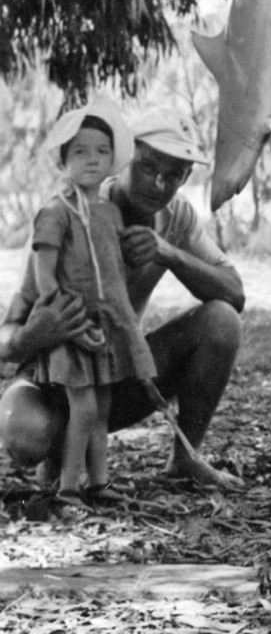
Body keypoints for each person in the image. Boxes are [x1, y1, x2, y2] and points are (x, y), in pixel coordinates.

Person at [0, 106, 246, 491]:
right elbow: (7, 333)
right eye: (148, 167)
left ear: (187, 177)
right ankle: (58, 456)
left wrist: (168, 252)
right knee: (25, 432)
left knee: (222, 320)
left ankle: (185, 459)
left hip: (112, 373)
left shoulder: (176, 217)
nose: (159, 184)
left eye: (174, 175)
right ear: (125, 158)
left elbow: (235, 293)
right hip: (51, 377)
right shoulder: (67, 213)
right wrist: (34, 335)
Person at [7, 98, 157, 505]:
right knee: (84, 408)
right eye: (80, 151)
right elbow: (44, 270)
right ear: (63, 160)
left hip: (106, 326)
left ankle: (99, 483)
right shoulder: (56, 212)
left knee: (101, 411)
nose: (92, 160)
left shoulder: (109, 212)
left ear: (113, 161)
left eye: (102, 151)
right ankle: (67, 487)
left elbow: (112, 270)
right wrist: (66, 317)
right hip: (71, 327)